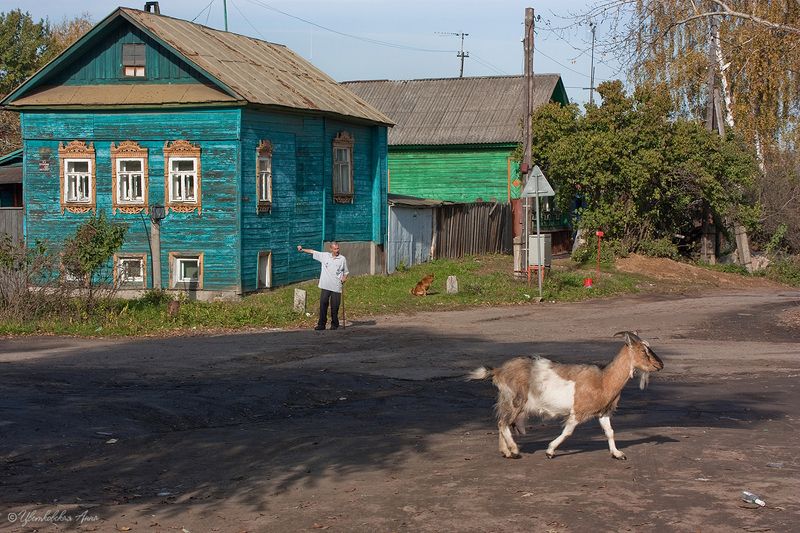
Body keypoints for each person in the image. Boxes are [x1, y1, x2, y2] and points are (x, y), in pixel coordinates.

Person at [297, 242, 349, 330]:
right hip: (325, 285)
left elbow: (346, 272)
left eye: (338, 248)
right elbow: (312, 252)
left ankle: (334, 324)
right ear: (331, 249)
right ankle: (321, 324)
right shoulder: (324, 256)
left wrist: (344, 278)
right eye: (335, 249)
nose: (337, 250)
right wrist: (302, 249)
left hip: (336, 286)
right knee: (323, 304)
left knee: (335, 306)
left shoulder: (342, 259)